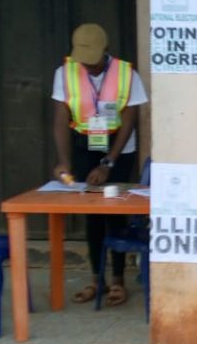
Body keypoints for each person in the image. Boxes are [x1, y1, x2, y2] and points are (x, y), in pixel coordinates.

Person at [51, 23, 148, 306]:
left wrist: (108, 163)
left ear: (105, 51)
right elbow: (60, 118)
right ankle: (97, 278)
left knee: (115, 211)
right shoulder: (65, 73)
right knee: (90, 212)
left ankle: (118, 279)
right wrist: (64, 162)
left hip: (119, 147)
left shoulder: (127, 74)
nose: (89, 67)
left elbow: (130, 120)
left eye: (93, 61)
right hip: (87, 143)